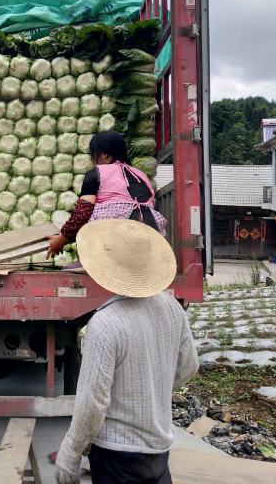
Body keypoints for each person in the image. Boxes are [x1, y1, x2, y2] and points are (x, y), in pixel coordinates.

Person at [54, 219, 198, 484]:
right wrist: (151, 392)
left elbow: (92, 403)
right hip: (159, 451)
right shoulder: (172, 308)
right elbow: (189, 365)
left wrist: (70, 452)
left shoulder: (105, 324)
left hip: (116, 456)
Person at [47, 130, 167, 259]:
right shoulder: (141, 175)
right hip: (148, 239)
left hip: (113, 242)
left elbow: (82, 214)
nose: (93, 161)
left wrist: (59, 241)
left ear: (104, 155)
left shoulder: (96, 173)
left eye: (93, 156)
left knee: (88, 212)